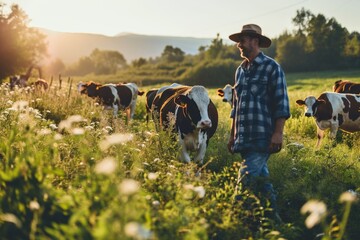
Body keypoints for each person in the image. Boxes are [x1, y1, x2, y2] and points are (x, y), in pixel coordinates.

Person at [227, 24, 290, 222]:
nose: (239, 45)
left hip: (262, 135)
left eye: (242, 40)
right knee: (262, 182)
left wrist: (278, 133)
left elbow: (281, 103)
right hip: (243, 136)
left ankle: (232, 222)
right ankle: (276, 223)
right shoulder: (240, 70)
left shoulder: (272, 67)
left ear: (254, 41)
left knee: (244, 181)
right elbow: (236, 106)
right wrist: (232, 134)